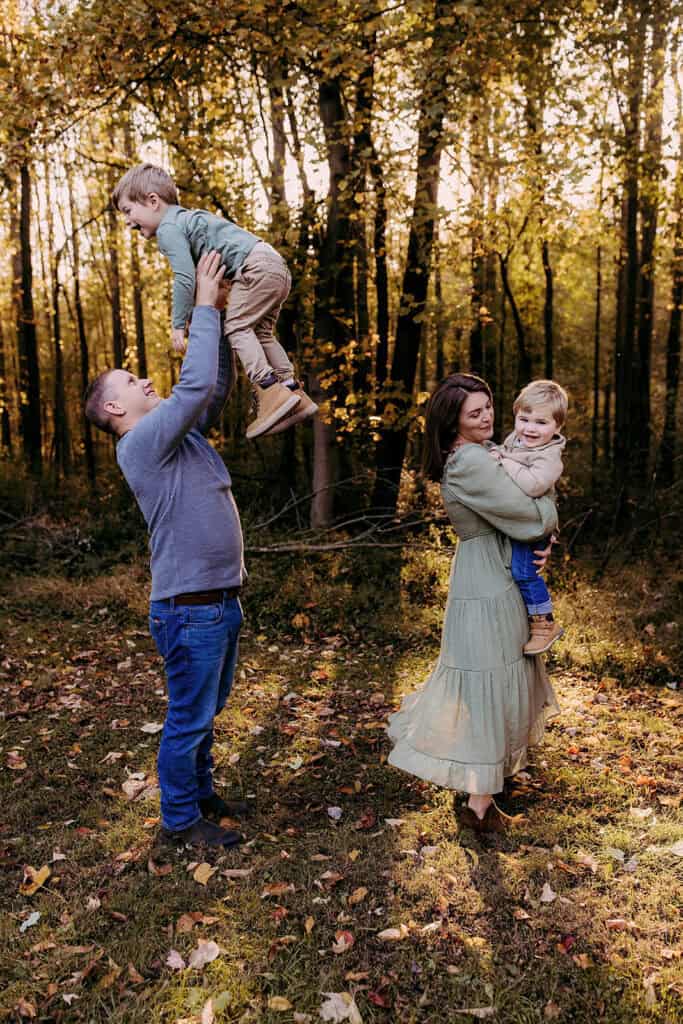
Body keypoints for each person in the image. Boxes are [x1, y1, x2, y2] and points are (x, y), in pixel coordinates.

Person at [85, 252, 247, 849]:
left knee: (206, 711)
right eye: (132, 381)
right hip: (190, 608)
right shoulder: (141, 443)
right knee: (188, 716)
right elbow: (195, 382)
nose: (146, 380)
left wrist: (222, 316)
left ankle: (200, 791)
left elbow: (216, 385)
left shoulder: (180, 437)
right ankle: (179, 821)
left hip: (220, 602)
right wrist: (201, 302)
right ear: (114, 409)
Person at [387, 373, 559, 833]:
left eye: (488, 408)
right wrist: (550, 518)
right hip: (489, 579)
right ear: (454, 421)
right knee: (489, 682)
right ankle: (479, 805)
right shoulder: (470, 463)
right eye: (474, 413)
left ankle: (481, 794)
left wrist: (540, 532)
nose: (487, 418)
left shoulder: (477, 455)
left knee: (497, 677)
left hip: (491, 570)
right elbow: (526, 516)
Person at [112, 163, 317, 440]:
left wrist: (177, 324)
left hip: (254, 269)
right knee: (262, 333)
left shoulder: (168, 229)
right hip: (274, 265)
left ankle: (268, 388)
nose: (127, 220)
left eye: (128, 210)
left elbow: (184, 277)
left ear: (152, 201)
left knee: (235, 328)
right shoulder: (187, 219)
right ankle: (292, 390)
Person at [489, 379, 567, 655]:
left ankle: (544, 625)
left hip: (534, 524)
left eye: (541, 423)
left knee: (524, 571)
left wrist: (503, 461)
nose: (530, 428)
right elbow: (502, 454)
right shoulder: (516, 440)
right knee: (514, 570)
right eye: (524, 419)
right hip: (521, 520)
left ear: (557, 427)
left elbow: (534, 485)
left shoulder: (550, 456)